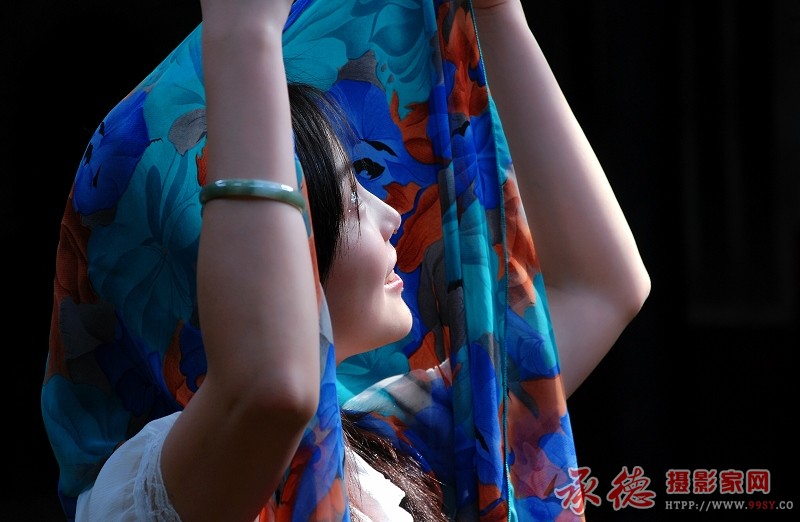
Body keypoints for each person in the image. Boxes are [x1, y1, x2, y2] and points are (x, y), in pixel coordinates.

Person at [42, 0, 649, 521]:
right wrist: (243, 33)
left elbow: (600, 289)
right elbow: (267, 386)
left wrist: (496, 16)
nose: (391, 214)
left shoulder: (387, 445)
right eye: (350, 193)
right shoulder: (155, 490)